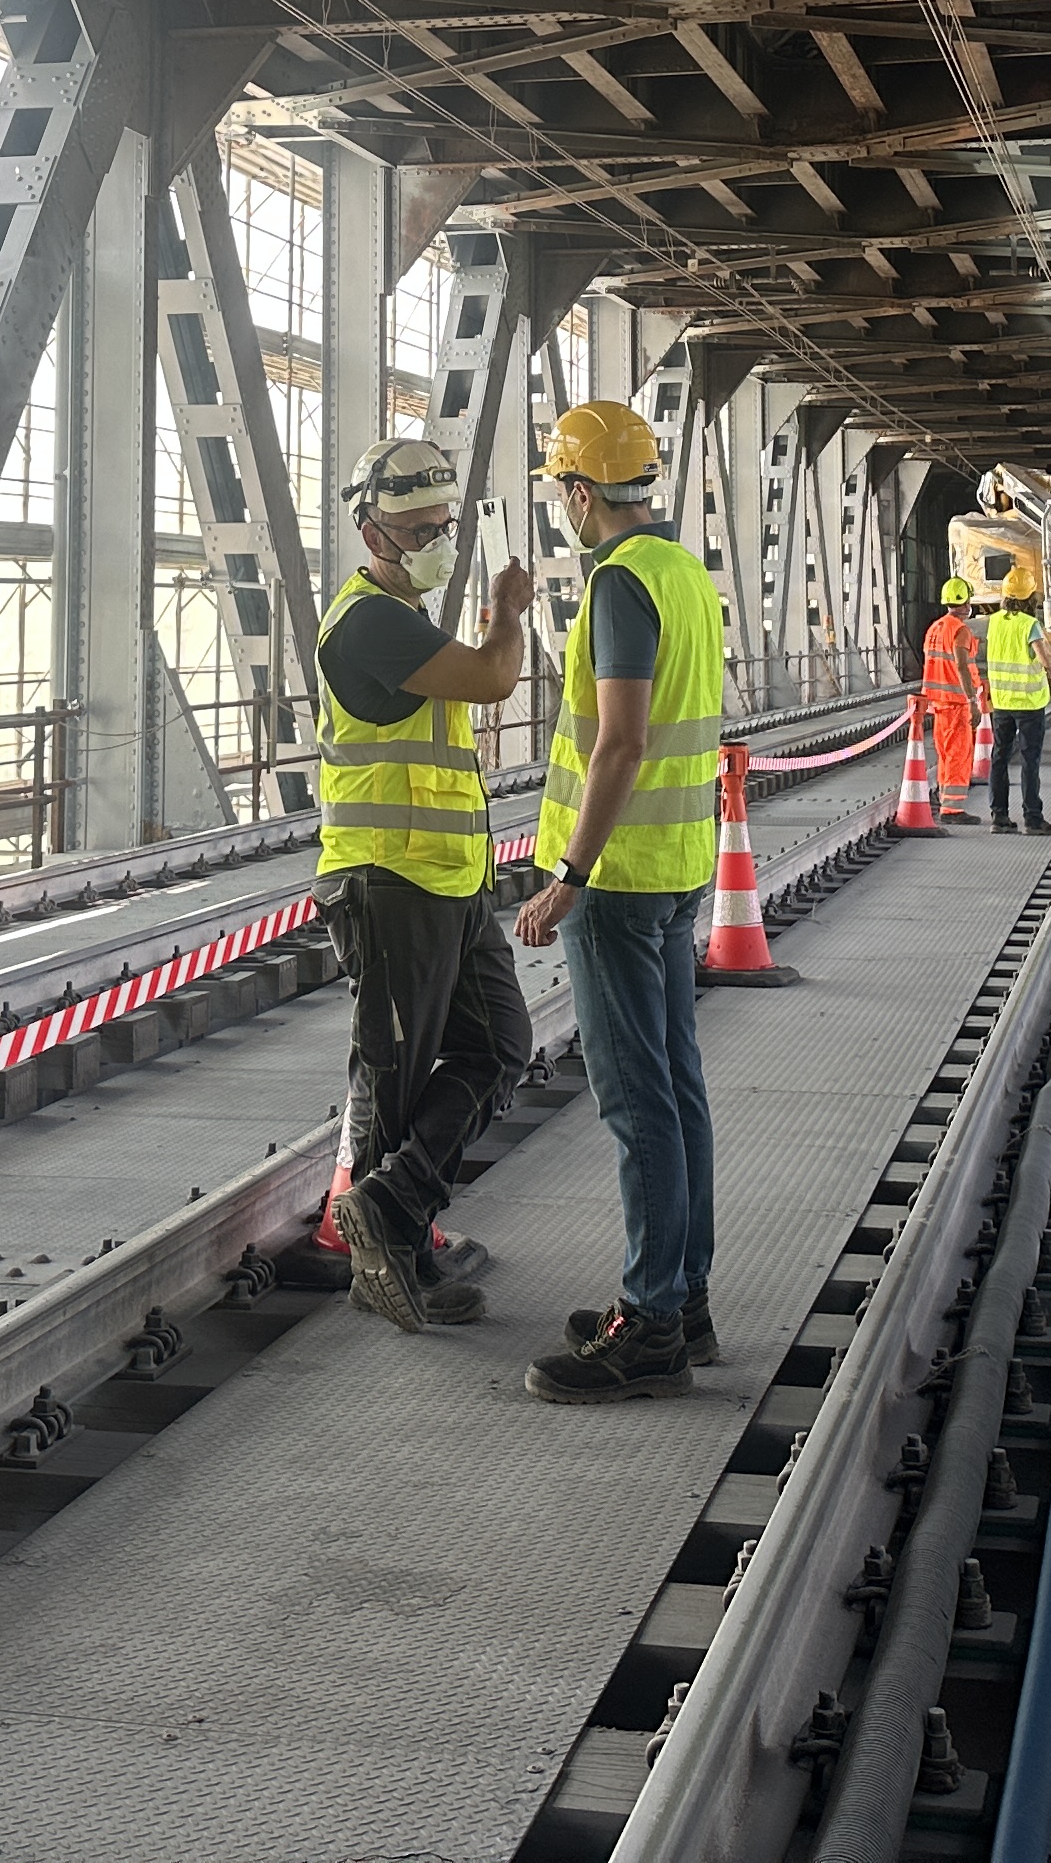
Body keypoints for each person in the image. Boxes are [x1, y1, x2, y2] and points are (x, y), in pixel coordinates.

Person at [511, 399, 727, 1403]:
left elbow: (622, 741)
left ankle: (648, 1327)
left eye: (561, 488)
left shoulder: (618, 583)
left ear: (578, 492)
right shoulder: (683, 571)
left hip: (621, 879)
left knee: (639, 1102)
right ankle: (684, 1300)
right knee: (676, 1088)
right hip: (677, 866)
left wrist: (570, 874)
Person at [316, 436, 540, 1335]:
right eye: (416, 529)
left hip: (445, 879)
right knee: (395, 1075)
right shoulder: (369, 622)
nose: (434, 540)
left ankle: (392, 1205)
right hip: (387, 879)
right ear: (372, 533)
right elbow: (494, 678)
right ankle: (390, 1265)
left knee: (500, 1047)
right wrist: (507, 611)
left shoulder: (407, 618)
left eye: (443, 525)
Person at [982, 572, 1051, 833]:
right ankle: (1033, 818)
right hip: (1029, 703)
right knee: (1029, 760)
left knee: (999, 757)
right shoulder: (1029, 624)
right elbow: (1045, 660)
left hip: (1002, 702)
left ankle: (999, 817)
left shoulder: (994, 622)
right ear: (1030, 597)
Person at [918, 576, 985, 824]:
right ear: (966, 602)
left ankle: (946, 800)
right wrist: (972, 700)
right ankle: (952, 810)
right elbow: (961, 666)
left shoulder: (935, 628)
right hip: (956, 702)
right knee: (958, 754)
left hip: (939, 703)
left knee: (946, 754)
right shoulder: (960, 630)